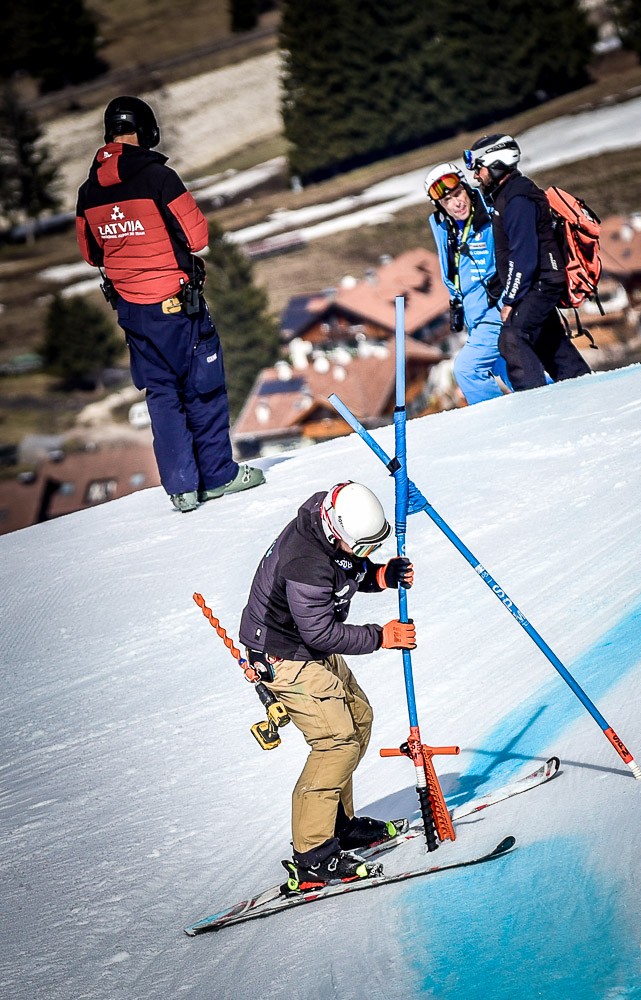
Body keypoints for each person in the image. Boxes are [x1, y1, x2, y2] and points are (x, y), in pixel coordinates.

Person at [75, 96, 264, 513]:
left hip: (132, 312)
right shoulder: (159, 178)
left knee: (161, 393)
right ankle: (218, 476)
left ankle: (182, 489)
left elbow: (91, 253)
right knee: (203, 386)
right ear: (147, 131)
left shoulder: (87, 193)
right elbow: (197, 238)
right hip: (177, 306)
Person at [239, 481, 416, 890]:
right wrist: (381, 636)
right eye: (364, 546)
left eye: (374, 546)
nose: (366, 553)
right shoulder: (305, 562)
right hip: (287, 655)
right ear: (338, 531)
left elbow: (346, 569)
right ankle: (313, 856)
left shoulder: (330, 524)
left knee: (358, 718)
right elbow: (320, 632)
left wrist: (380, 575)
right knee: (336, 742)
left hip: (308, 645)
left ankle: (338, 824)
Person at [464, 134, 592, 391]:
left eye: (479, 168)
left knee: (512, 337)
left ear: (496, 164)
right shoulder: (507, 195)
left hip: (542, 282)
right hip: (537, 282)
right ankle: (583, 385)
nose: (476, 176)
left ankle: (533, 403)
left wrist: (511, 300)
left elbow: (523, 256)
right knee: (548, 340)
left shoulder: (518, 199)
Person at [424, 162, 510, 405]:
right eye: (447, 200)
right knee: (512, 371)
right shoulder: (446, 229)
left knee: (467, 369)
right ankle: (553, 398)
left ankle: (502, 421)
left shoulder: (489, 217)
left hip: (496, 312)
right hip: (475, 318)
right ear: (440, 205)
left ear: (467, 188)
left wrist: (508, 301)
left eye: (458, 193)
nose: (456, 203)